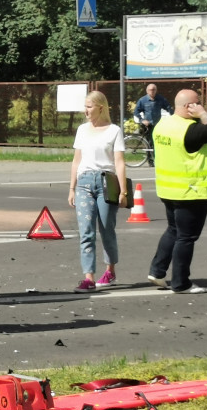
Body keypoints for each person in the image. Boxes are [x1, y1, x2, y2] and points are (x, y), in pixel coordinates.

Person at [147, 89, 207, 294]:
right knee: (186, 237)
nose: (200, 105)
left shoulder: (163, 125)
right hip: (192, 191)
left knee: (173, 230)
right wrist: (203, 113)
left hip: (168, 188)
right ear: (189, 106)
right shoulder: (191, 130)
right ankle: (181, 283)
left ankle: (157, 271)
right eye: (197, 103)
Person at [68, 91, 128, 293]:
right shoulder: (82, 130)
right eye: (85, 106)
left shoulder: (114, 130)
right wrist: (72, 188)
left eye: (90, 106)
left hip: (106, 183)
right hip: (84, 182)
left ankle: (110, 270)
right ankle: (89, 278)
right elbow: (76, 161)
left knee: (106, 229)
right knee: (86, 231)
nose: (86, 110)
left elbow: (119, 162)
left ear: (101, 107)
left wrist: (124, 191)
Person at [133, 83, 172, 167]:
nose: (152, 91)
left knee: (158, 142)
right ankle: (150, 161)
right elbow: (136, 112)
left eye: (154, 90)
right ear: (147, 91)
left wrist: (173, 116)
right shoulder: (142, 100)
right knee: (149, 143)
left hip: (158, 125)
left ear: (156, 90)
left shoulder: (160, 99)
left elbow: (168, 107)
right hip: (147, 125)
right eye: (150, 90)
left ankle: (158, 159)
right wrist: (142, 120)